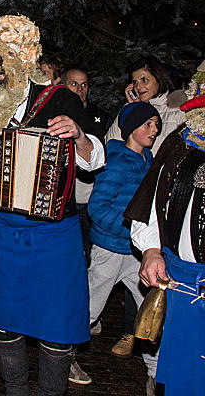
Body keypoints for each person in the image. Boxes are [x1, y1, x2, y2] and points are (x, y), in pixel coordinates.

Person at [0, 15, 105, 396]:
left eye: (5, 59)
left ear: (26, 59)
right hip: (3, 232)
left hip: (55, 235)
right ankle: (15, 390)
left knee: (57, 326)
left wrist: (79, 135)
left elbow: (95, 160)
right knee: (5, 323)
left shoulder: (61, 98)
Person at [124, 60, 205, 396]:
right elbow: (153, 199)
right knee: (183, 382)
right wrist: (152, 250)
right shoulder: (182, 140)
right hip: (183, 284)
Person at [104, 57, 186, 358]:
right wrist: (128, 111)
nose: (139, 86)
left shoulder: (178, 110)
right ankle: (132, 331)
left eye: (144, 79)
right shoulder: (133, 109)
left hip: (168, 197)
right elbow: (113, 144)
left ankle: (160, 341)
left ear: (159, 79)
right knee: (139, 270)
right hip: (137, 197)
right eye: (135, 80)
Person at [86, 102, 161, 383]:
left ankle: (156, 373)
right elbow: (97, 208)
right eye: (147, 124)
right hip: (110, 250)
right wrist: (133, 231)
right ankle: (61, 357)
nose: (154, 130)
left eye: (156, 124)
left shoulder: (148, 160)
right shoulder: (117, 162)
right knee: (88, 310)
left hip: (137, 254)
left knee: (150, 313)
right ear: (131, 129)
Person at [62, 68, 113, 265]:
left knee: (87, 253)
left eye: (84, 84)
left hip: (88, 198)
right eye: (74, 84)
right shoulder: (54, 115)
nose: (80, 89)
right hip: (62, 200)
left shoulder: (99, 117)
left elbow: (105, 156)